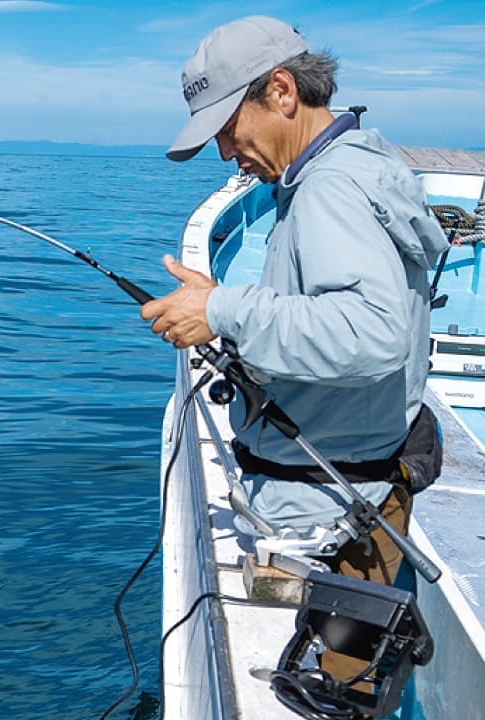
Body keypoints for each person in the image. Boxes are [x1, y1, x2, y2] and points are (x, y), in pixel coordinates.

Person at [141, 16, 447, 595]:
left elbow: (370, 333)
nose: (226, 152)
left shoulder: (330, 189)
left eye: (228, 128)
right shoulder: (354, 164)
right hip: (351, 492)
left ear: (282, 91)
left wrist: (222, 311)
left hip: (327, 526)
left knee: (324, 686)